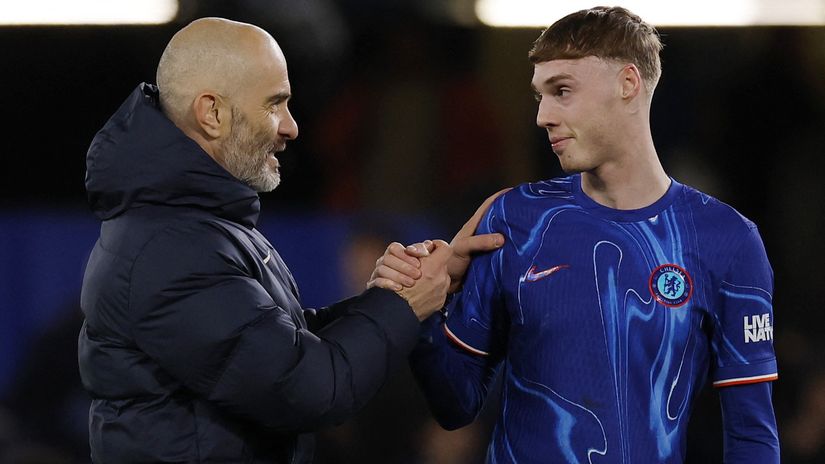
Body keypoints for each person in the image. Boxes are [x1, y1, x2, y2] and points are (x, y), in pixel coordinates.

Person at [78, 17, 502, 463]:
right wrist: (404, 304)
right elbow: (307, 388)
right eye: (275, 104)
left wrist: (400, 290)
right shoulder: (171, 247)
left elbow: (283, 345)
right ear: (212, 113)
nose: (291, 127)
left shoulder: (193, 228)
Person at [372, 6, 780, 463]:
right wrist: (421, 305)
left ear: (628, 84)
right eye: (539, 96)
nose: (543, 115)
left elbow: (751, 436)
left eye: (562, 91)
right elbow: (454, 406)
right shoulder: (514, 219)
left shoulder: (728, 239)